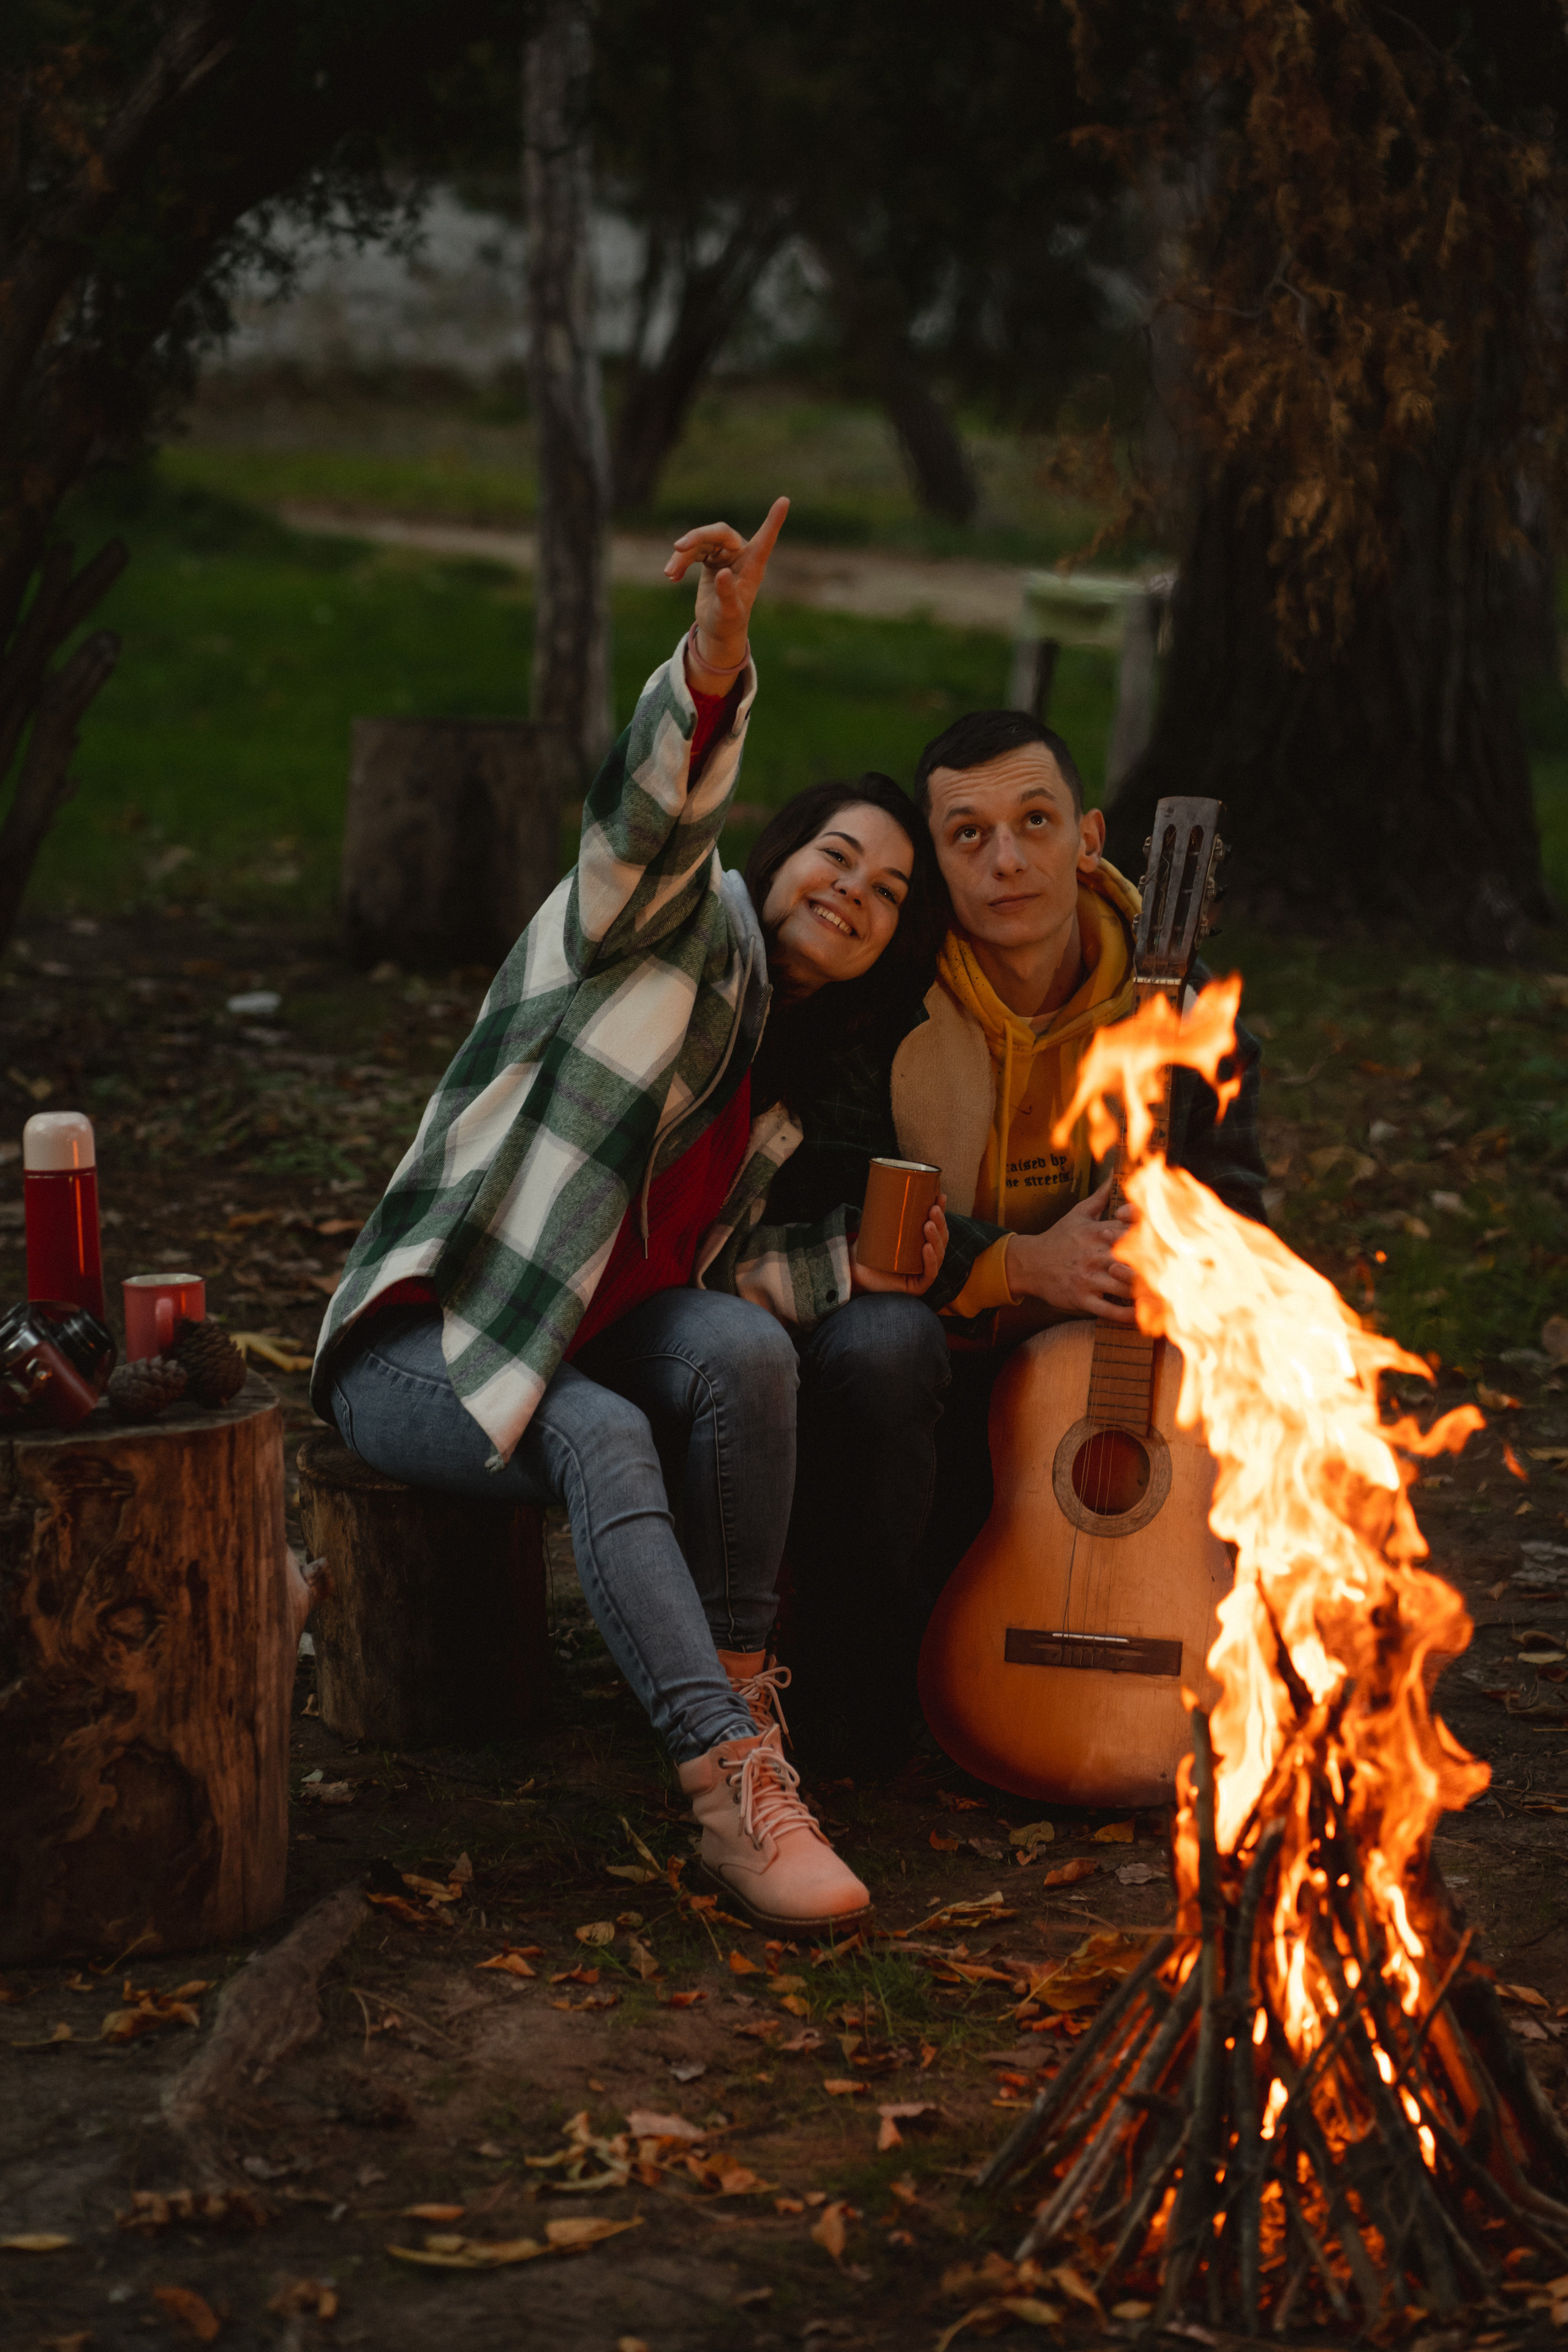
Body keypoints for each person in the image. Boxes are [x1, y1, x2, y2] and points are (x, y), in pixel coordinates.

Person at [309, 498, 943, 1932]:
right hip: (433, 1340)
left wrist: (901, 1264)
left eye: (890, 893)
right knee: (596, 1431)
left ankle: (735, 1688)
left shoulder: (775, 1096)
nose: (854, 889)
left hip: (580, 1350)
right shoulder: (664, 927)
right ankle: (728, 1790)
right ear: (779, 854)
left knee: (742, 1351)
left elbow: (728, 1280)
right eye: (837, 855)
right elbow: (645, 823)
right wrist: (712, 664)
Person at [721, 707, 1267, 1768]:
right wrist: (1017, 1262)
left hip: (1097, 1401)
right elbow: (824, 1197)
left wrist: (1187, 1259)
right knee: (881, 1346)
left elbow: (1243, 1208)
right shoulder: (881, 1006)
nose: (1008, 861)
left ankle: (1196, 1650)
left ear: (1091, 838)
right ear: (933, 865)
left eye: (1036, 822)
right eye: (968, 837)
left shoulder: (1192, 1021)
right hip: (932, 1368)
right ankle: (853, 1691)